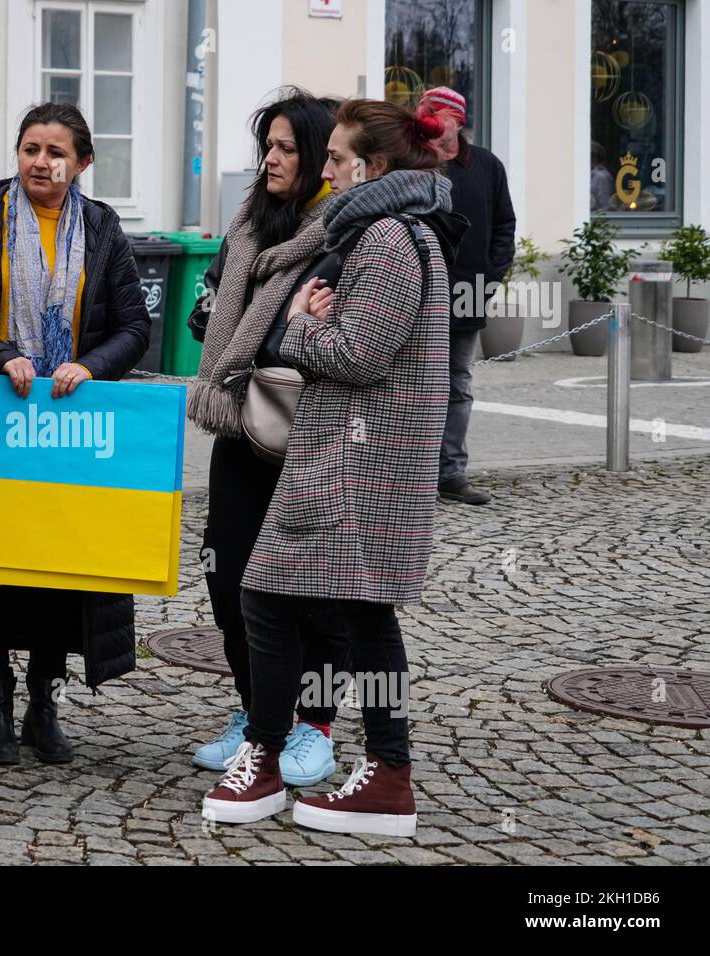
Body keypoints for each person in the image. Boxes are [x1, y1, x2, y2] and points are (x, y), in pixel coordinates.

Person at [202, 98, 465, 836]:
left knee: (269, 595)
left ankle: (292, 757)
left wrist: (299, 331)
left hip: (359, 460)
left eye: (336, 159)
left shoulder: (385, 236)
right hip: (358, 455)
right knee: (350, 611)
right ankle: (370, 770)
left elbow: (359, 354)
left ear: (373, 168)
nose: (324, 171)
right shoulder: (393, 230)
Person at [0, 102, 151, 765]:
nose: (41, 162)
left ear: (83, 163)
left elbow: (135, 328)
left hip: (67, 430)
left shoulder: (101, 228)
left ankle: (45, 704)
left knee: (57, 570)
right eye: (30, 149)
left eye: (56, 152)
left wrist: (88, 365)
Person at [185, 89, 349, 787]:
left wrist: (285, 329)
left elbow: (334, 336)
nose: (272, 159)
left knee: (309, 589)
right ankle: (258, 716)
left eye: (287, 148)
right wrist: (211, 309)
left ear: (318, 158)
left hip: (311, 433)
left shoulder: (342, 234)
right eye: (268, 147)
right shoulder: (250, 224)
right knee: (229, 579)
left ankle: (314, 728)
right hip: (240, 425)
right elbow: (212, 299)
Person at [419, 87, 515, 506]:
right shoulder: (415, 163)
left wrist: (490, 278)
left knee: (458, 383)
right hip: (418, 294)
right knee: (415, 383)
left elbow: (504, 226)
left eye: (441, 116)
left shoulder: (488, 166)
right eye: (428, 115)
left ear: (458, 121)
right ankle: (410, 473)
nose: (435, 124)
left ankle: (451, 474)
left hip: (468, 293)